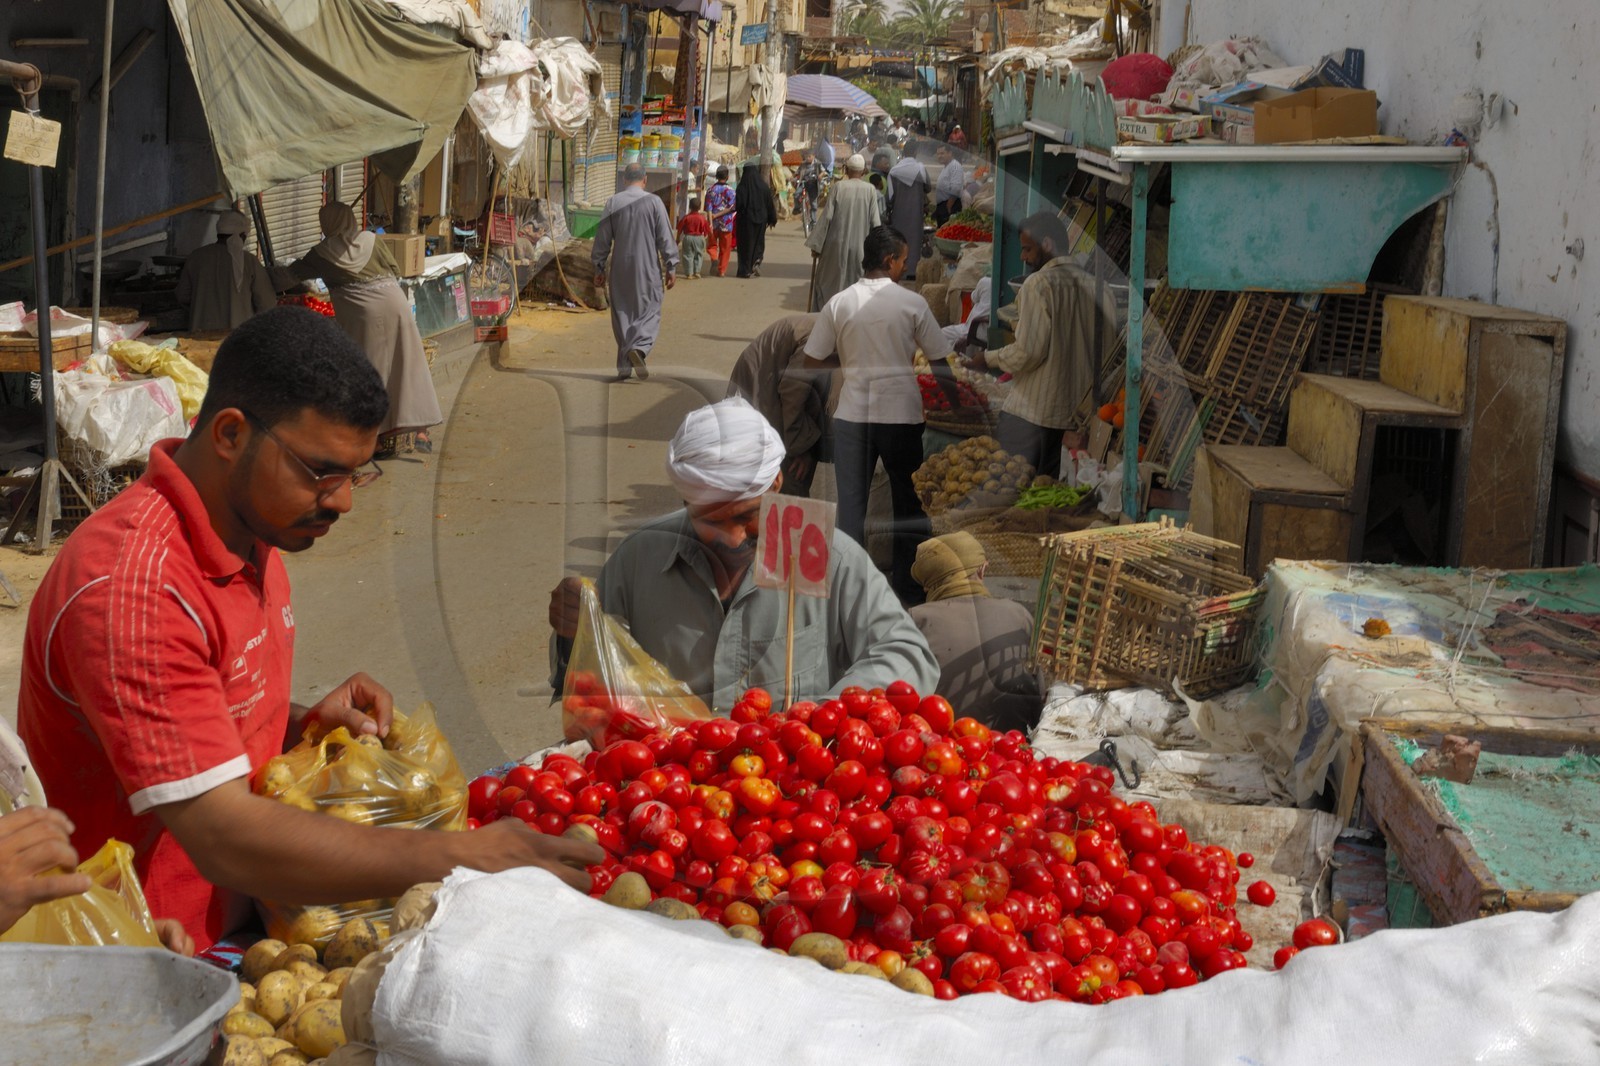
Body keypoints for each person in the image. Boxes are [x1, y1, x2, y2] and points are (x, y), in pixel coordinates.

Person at [16, 308, 602, 952]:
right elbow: (223, 838)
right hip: (139, 951)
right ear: (231, 435)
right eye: (322, 471)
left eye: (356, 473)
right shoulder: (136, 584)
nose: (344, 500)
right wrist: (460, 855)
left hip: (246, 926)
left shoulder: (254, 530)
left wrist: (297, 723)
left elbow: (184, 710)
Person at [547, 398, 939, 712]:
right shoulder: (638, 560)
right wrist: (572, 636)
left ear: (777, 483)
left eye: (747, 516)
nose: (733, 539)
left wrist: (824, 715)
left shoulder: (827, 554)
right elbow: (591, 687)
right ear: (686, 501)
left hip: (791, 795)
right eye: (711, 522)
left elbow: (908, 654)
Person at [805, 227, 956, 603]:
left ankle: (851, 587)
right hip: (901, 416)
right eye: (904, 260)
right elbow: (939, 361)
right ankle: (908, 587)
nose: (907, 266)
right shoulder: (912, 303)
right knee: (908, 503)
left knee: (851, 506)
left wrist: (852, 361)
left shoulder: (840, 302)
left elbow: (811, 360)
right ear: (889, 261)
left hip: (853, 417)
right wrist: (957, 402)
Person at [961, 211, 1116, 479]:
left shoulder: (1038, 285)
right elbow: (1109, 354)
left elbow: (1027, 353)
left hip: (1035, 416)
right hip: (1079, 416)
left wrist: (987, 358)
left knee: (1015, 488)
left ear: (1046, 244)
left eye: (1027, 249)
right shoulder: (1102, 289)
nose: (1023, 257)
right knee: (1053, 493)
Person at [287, 202, 442, 458]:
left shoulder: (321, 252)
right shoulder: (371, 239)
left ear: (327, 223)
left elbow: (291, 275)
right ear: (349, 219)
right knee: (408, 365)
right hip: (395, 305)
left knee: (371, 370)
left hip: (363, 316)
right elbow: (394, 269)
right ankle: (420, 430)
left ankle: (378, 439)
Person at [908, 533, 1041, 733]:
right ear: (983, 570)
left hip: (943, 751)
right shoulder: (1019, 614)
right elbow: (1039, 694)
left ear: (927, 584)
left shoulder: (915, 621)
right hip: (1013, 744)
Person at [725, 314, 830, 498]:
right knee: (790, 477)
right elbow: (793, 393)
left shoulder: (832, 328)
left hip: (772, 388)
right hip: (764, 389)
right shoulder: (821, 337)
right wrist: (800, 448)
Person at [593, 162, 679, 382]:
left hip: (620, 268)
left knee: (622, 311)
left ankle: (624, 364)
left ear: (624, 180)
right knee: (650, 309)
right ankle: (639, 349)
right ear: (645, 180)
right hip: (647, 267)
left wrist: (598, 266)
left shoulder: (613, 202)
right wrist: (671, 265)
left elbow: (602, 239)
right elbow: (665, 237)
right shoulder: (654, 202)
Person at [174, 210, 275, 332]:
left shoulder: (196, 257)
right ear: (242, 236)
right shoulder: (249, 261)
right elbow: (266, 303)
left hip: (200, 335)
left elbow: (182, 296)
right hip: (237, 336)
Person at [805, 154, 881, 311]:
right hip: (861, 248)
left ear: (846, 170)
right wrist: (878, 252)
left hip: (835, 246)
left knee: (830, 285)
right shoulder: (870, 190)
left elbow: (826, 217)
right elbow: (876, 223)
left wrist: (816, 245)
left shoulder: (839, 187)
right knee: (857, 288)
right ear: (863, 171)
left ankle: (829, 320)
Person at [888, 142, 929, 280]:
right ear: (916, 152)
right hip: (915, 215)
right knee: (914, 242)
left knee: (899, 243)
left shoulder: (894, 171)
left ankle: (898, 271)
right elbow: (928, 187)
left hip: (899, 215)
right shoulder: (920, 169)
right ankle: (912, 272)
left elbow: (890, 196)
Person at [733, 162, 776, 279]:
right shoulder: (764, 187)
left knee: (744, 245)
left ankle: (744, 270)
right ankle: (756, 261)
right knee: (758, 242)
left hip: (745, 222)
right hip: (761, 220)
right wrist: (772, 219)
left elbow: (738, 205)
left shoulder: (742, 187)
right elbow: (769, 205)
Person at [704, 166, 737, 278]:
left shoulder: (710, 190)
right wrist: (718, 215)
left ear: (716, 176)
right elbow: (732, 208)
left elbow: (708, 208)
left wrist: (711, 220)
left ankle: (714, 259)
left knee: (712, 245)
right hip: (726, 223)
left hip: (713, 224)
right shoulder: (731, 191)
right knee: (725, 248)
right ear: (727, 177)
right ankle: (721, 271)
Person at [677, 196, 711, 280]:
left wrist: (678, 238)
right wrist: (706, 238)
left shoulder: (686, 217)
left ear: (689, 207)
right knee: (699, 255)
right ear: (699, 207)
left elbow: (680, 228)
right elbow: (707, 230)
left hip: (688, 237)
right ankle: (697, 272)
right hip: (699, 237)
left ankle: (689, 273)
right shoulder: (702, 218)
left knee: (688, 255)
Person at [933, 144, 965, 226]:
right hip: (943, 206)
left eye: (942, 153)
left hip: (950, 206)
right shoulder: (947, 167)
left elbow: (956, 188)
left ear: (950, 153)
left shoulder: (955, 166)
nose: (940, 156)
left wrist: (948, 206)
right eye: (938, 154)